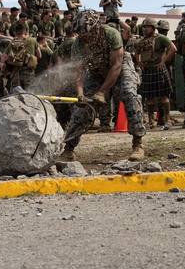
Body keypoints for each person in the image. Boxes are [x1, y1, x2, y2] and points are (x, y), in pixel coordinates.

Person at [59, 11, 146, 162]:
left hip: (119, 67)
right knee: (82, 107)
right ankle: (69, 149)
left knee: (129, 95)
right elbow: (77, 73)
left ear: (97, 27)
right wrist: (80, 94)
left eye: (90, 33)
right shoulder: (78, 44)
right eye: (83, 35)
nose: (88, 38)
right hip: (96, 70)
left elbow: (116, 66)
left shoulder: (111, 34)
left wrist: (101, 92)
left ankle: (137, 143)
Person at [134, 17, 176, 130]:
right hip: (147, 70)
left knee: (164, 96)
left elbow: (173, 49)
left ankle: (167, 119)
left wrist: (163, 61)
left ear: (153, 28)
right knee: (149, 97)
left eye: (147, 27)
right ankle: (151, 120)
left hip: (158, 69)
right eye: (144, 27)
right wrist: (140, 64)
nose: (145, 29)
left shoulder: (161, 38)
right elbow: (136, 53)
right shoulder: (142, 41)